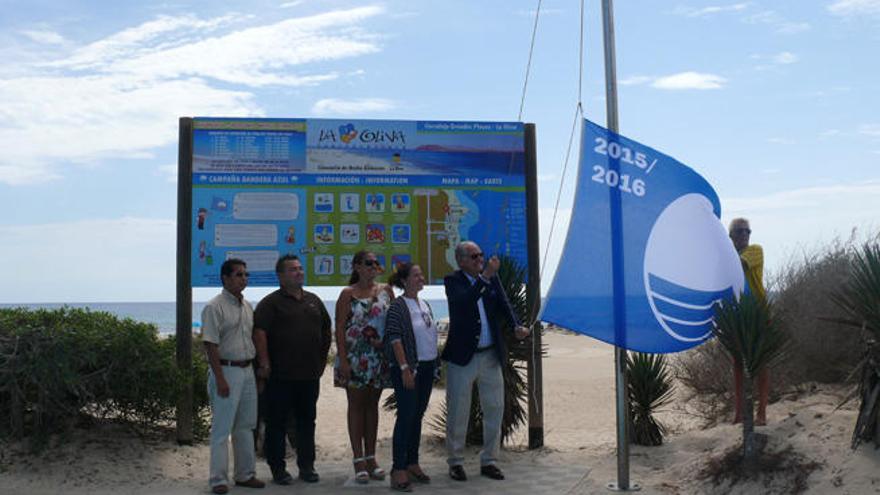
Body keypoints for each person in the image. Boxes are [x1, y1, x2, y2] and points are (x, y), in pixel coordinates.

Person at [442, 241, 530, 482]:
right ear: (461, 260)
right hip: (463, 358)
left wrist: (516, 326)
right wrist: (486, 276)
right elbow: (465, 302)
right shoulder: (453, 282)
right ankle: (456, 462)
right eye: (474, 257)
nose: (480, 260)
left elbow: (504, 304)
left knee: (495, 408)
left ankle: (489, 460)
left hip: (490, 355)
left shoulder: (491, 279)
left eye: (481, 255)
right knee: (458, 411)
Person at [253, 255, 332, 485]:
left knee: (307, 422)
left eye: (300, 268)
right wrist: (265, 362)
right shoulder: (270, 303)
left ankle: (307, 467)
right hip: (279, 376)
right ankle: (278, 469)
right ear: (280, 276)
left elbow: (326, 329)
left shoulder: (314, 300)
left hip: (309, 376)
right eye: (293, 270)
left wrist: (321, 359)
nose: (299, 272)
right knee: (276, 424)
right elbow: (259, 334)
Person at [201, 259, 265, 494]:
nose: (244, 279)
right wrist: (219, 378)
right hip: (226, 370)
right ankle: (218, 479)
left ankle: (245, 474)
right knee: (222, 428)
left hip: (247, 370)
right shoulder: (214, 307)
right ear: (225, 278)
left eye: (246, 274)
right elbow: (210, 345)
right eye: (238, 275)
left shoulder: (247, 306)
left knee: (246, 426)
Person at [334, 250, 394, 484]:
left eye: (376, 263)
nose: (373, 266)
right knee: (356, 406)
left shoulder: (386, 291)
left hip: (378, 358)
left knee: (372, 406)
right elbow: (339, 328)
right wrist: (344, 360)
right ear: (357, 267)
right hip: (355, 357)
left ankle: (371, 457)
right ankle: (358, 459)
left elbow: (394, 322)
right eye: (368, 263)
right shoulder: (347, 294)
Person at [384, 263, 438, 491]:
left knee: (417, 416)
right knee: (406, 417)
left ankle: (412, 463)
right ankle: (398, 469)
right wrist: (405, 367)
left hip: (427, 368)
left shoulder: (424, 304)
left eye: (421, 275)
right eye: (416, 275)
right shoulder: (397, 306)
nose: (421, 278)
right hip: (409, 369)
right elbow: (394, 338)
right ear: (404, 280)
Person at [729, 217, 770, 426]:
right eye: (739, 231)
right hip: (736, 315)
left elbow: (739, 265)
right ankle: (738, 412)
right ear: (731, 236)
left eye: (747, 231)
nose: (744, 235)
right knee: (737, 363)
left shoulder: (755, 250)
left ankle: (761, 411)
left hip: (757, 313)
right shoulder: (727, 255)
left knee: (760, 362)